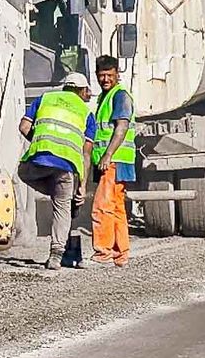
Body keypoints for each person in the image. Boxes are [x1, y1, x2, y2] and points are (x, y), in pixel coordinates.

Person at [18, 72, 96, 271]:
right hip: (67, 166)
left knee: (22, 172)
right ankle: (56, 255)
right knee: (63, 207)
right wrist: (83, 186)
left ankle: (60, 194)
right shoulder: (87, 114)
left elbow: (24, 126)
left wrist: (40, 140)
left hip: (39, 159)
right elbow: (86, 155)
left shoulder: (45, 98)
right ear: (82, 90)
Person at [91, 54, 137, 267]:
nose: (105, 80)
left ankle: (103, 253)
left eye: (109, 75)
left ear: (118, 74)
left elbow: (122, 127)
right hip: (119, 161)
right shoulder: (104, 98)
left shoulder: (120, 96)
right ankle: (120, 254)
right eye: (101, 76)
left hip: (115, 160)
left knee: (102, 206)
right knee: (117, 207)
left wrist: (107, 155)